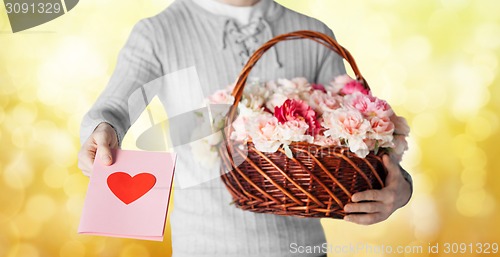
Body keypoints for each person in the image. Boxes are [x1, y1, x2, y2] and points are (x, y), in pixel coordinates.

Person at [78, 0, 413, 256]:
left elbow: (358, 140)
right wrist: (102, 131)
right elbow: (115, 107)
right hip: (205, 248)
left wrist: (400, 187)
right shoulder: (159, 33)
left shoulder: (314, 35)